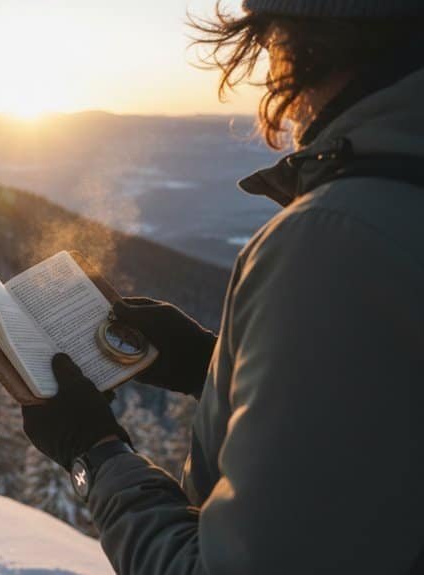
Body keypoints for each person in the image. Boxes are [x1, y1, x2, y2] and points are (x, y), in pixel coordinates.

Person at [21, 1, 424, 573]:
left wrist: (93, 450)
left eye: (266, 43)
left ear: (304, 40)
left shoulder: (337, 236)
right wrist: (210, 366)